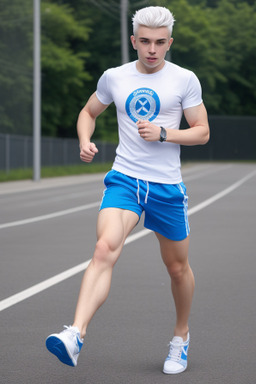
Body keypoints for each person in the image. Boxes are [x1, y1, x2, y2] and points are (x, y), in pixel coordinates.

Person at [46, 6, 210, 375]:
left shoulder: (184, 79)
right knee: (104, 248)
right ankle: (76, 334)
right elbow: (88, 112)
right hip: (125, 179)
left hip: (167, 187)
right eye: (145, 41)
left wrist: (166, 133)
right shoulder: (114, 77)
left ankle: (180, 338)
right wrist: (85, 140)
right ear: (134, 41)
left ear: (170, 42)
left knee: (177, 267)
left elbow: (202, 131)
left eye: (160, 42)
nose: (152, 49)